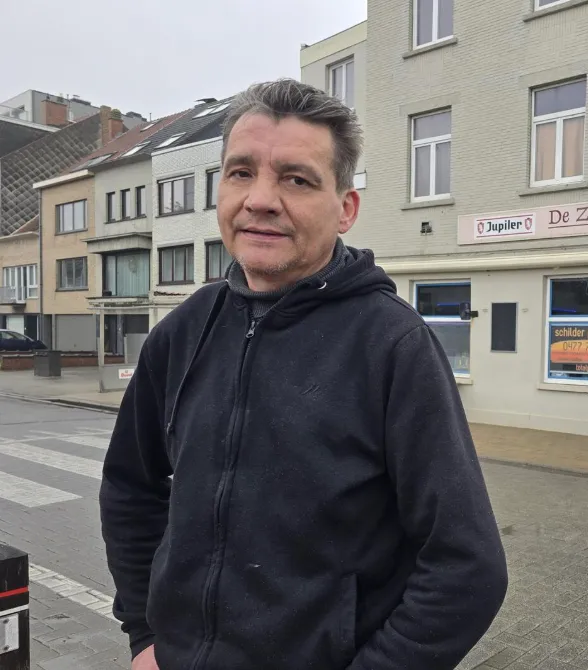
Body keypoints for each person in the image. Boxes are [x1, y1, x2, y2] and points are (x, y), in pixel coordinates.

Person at [99, 78, 508, 670]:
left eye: (296, 179)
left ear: (346, 209)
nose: (260, 199)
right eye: (241, 172)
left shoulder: (392, 345)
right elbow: (130, 488)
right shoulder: (184, 329)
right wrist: (144, 636)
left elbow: (467, 567)